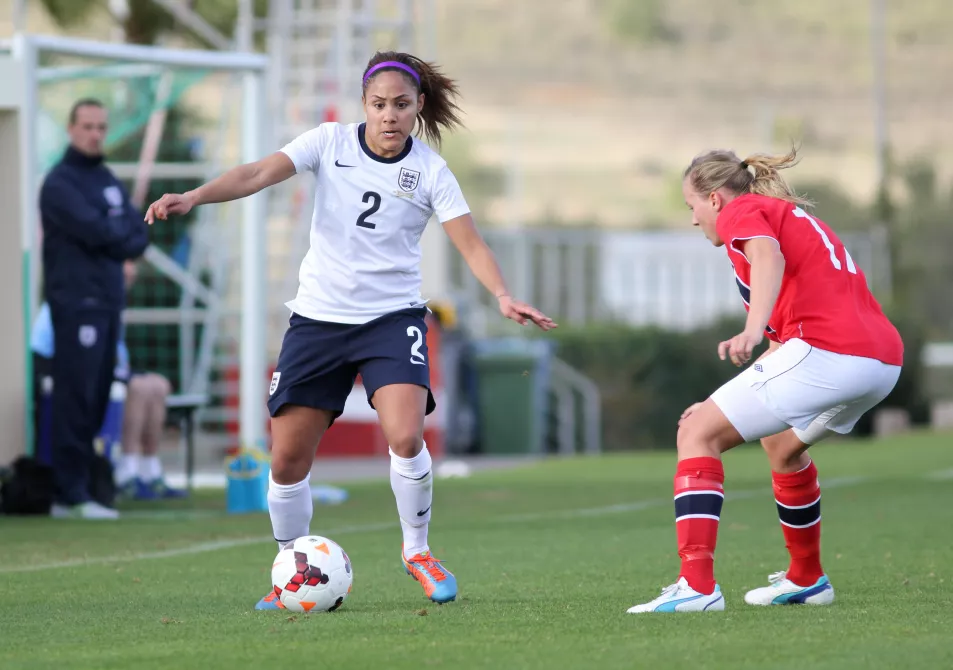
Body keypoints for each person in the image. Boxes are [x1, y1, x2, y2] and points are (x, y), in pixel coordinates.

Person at [145, 51, 556, 608]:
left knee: (406, 435)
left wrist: (503, 294)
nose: (389, 116)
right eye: (379, 104)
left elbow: (470, 242)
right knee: (288, 460)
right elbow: (257, 173)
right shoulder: (328, 142)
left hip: (392, 319)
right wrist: (193, 195)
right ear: (365, 105)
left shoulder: (431, 171)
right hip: (318, 321)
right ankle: (290, 568)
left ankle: (418, 551)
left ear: (418, 108)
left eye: (401, 105)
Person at [627, 147, 903, 614]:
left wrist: (751, 332)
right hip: (881, 362)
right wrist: (760, 344)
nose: (694, 220)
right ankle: (807, 579)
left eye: (691, 206)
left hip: (831, 353)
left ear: (715, 199)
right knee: (781, 446)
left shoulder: (743, 211)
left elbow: (766, 256)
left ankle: (696, 587)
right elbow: (788, 331)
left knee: (695, 433)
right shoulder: (785, 215)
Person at [40, 98, 150, 520]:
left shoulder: (105, 178)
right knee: (76, 396)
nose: (95, 134)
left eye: (101, 127)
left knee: (100, 394)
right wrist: (118, 232)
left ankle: (87, 486)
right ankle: (68, 495)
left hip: (108, 304)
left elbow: (135, 235)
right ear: (71, 129)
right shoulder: (59, 183)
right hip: (76, 305)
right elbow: (105, 232)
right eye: (87, 126)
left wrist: (118, 233)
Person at [113, 261, 185, 501]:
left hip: (118, 370)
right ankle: (127, 471)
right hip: (97, 377)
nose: (130, 270)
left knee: (159, 384)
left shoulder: (116, 300)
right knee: (140, 387)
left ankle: (149, 469)